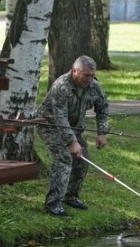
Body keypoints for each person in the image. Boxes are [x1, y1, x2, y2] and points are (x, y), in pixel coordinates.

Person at [36, 56, 109, 217]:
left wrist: (102, 132)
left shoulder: (94, 86)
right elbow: (59, 118)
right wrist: (72, 142)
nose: (89, 79)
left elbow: (103, 107)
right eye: (86, 75)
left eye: (92, 75)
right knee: (64, 157)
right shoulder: (61, 86)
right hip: (50, 126)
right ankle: (53, 204)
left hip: (73, 129)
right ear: (75, 71)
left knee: (83, 160)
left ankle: (71, 197)